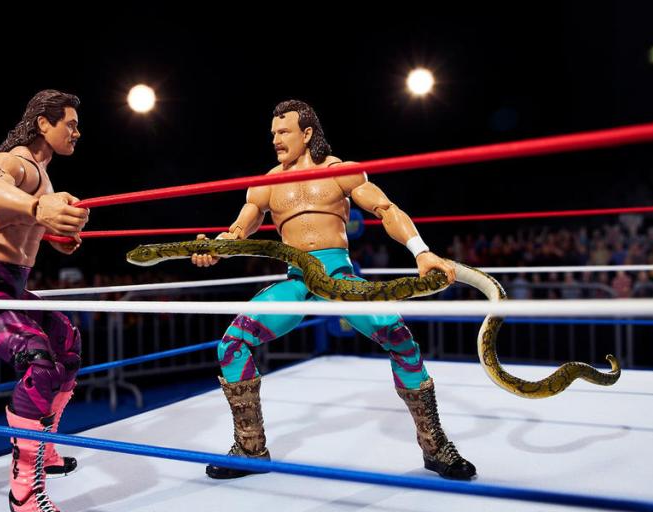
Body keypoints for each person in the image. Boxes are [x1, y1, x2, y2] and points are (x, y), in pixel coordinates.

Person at [193, 100, 475, 481]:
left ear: (307, 133)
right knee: (231, 344)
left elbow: (386, 209)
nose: (275, 139)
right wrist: (215, 247)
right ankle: (250, 447)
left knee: (400, 339)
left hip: (340, 278)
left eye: (284, 131)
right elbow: (239, 230)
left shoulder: (339, 171)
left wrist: (421, 252)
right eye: (273, 133)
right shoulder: (266, 184)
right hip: (297, 281)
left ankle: (435, 446)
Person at [0, 89, 90, 512]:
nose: (76, 132)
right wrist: (38, 208)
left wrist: (60, 234)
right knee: (38, 362)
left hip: (15, 284)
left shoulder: (44, 177)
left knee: (67, 343)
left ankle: (46, 451)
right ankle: (24, 494)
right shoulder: (15, 161)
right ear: (43, 124)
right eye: (70, 124)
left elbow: (26, 228)